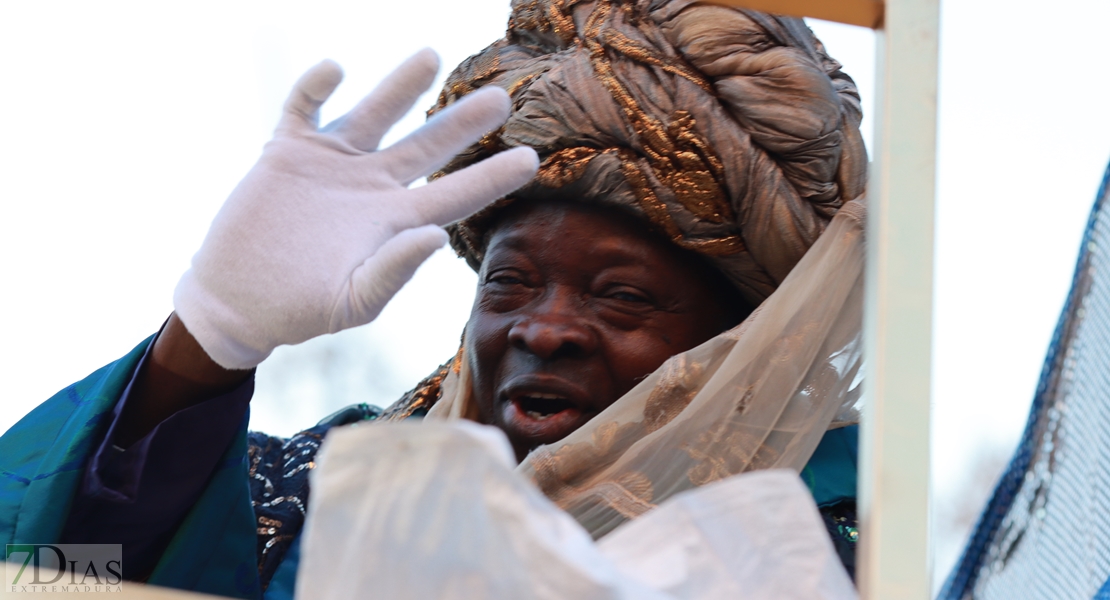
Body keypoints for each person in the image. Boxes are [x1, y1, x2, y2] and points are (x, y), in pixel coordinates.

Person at [0, 1, 868, 598]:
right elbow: (50, 572)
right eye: (510, 284)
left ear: (748, 342)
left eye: (622, 296)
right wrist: (205, 342)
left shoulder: (842, 546)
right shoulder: (320, 492)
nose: (546, 327)